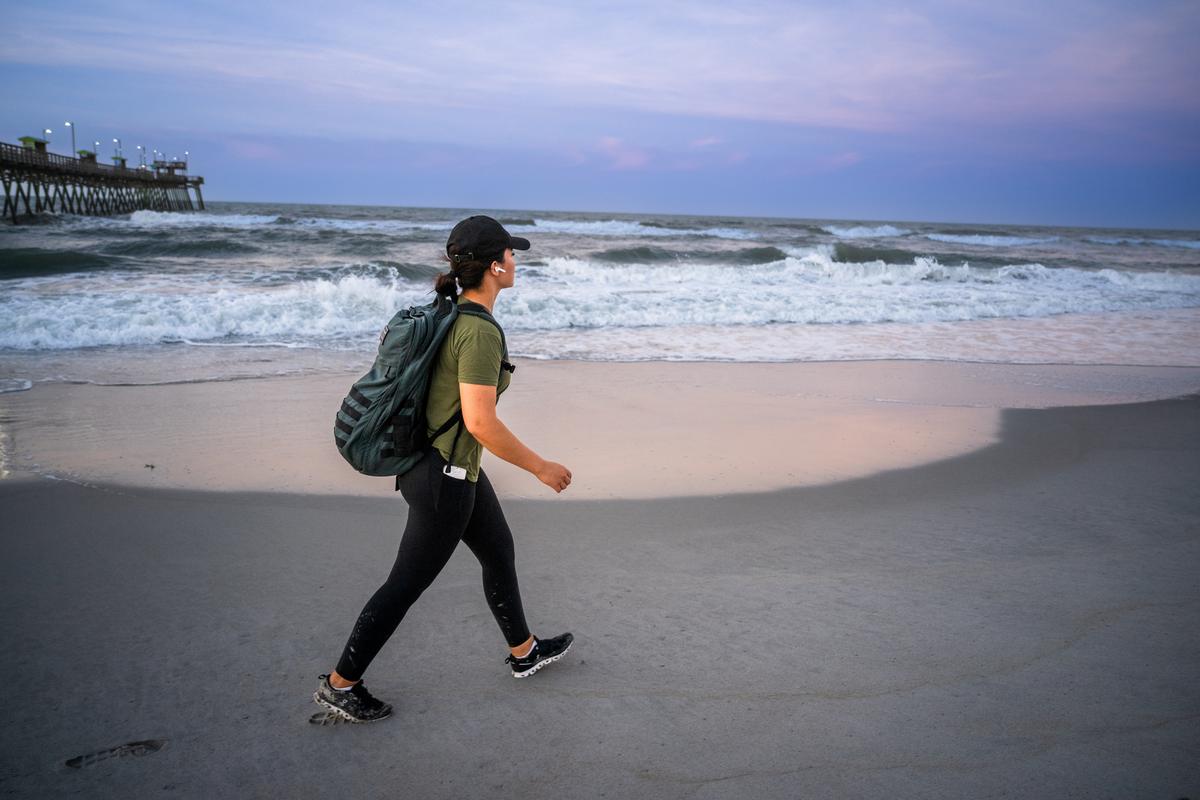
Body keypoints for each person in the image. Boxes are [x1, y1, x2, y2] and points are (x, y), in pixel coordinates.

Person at [313, 215, 575, 723]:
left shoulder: (450, 315)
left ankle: (524, 652)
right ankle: (341, 683)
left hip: (447, 468)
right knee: (405, 584)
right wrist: (540, 467)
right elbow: (480, 421)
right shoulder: (477, 333)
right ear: (496, 266)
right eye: (512, 254)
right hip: (443, 479)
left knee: (499, 550)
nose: (517, 261)